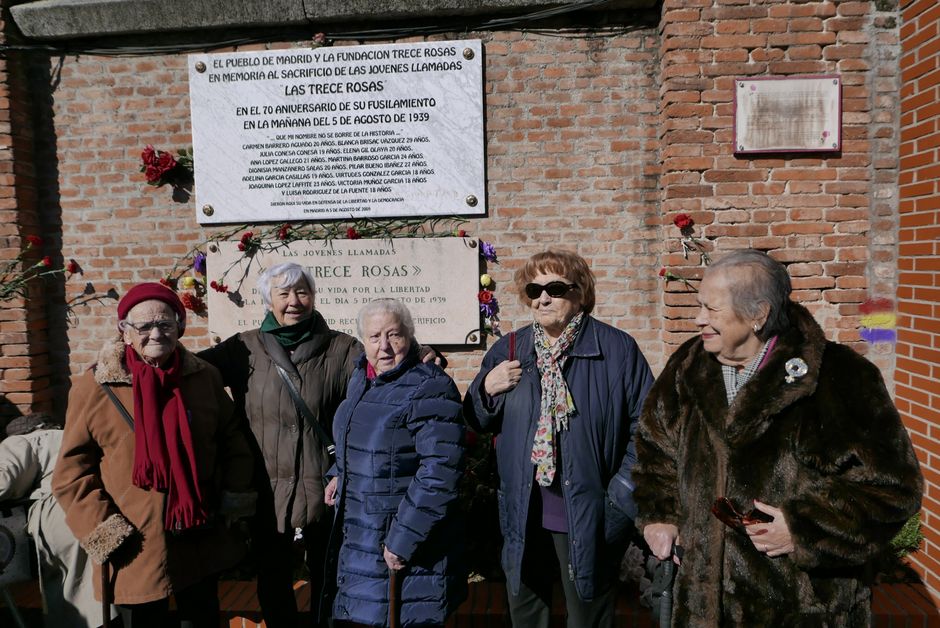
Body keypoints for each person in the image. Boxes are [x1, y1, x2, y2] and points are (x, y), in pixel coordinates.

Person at [634, 249, 924, 626]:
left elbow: (893, 489)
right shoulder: (687, 366)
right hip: (702, 607)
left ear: (759, 314)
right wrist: (660, 516)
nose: (698, 319)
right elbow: (655, 450)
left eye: (711, 309)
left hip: (803, 609)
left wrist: (804, 530)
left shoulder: (839, 377)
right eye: (699, 306)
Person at [200, 262, 443, 627]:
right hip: (267, 488)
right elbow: (193, 373)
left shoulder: (341, 348)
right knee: (272, 577)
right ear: (268, 300)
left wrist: (423, 355)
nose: (294, 301)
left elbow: (385, 366)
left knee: (328, 577)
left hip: (325, 485)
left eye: (302, 292)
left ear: (313, 296)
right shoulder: (242, 348)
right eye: (283, 293)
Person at [464, 249, 654, 628]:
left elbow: (648, 432)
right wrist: (485, 389)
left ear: (580, 293)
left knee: (586, 617)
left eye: (554, 288)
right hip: (523, 510)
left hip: (587, 511)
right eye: (534, 290)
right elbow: (474, 421)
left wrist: (618, 499)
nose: (543, 299)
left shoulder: (617, 350)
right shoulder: (510, 349)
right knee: (527, 615)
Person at [53, 282, 257, 628]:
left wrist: (233, 499)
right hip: (136, 545)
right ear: (125, 332)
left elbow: (233, 441)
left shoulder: (203, 377)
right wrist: (106, 530)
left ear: (179, 326)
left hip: (197, 536)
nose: (156, 333)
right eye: (144, 326)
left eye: (165, 323)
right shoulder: (95, 387)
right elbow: (71, 474)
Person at [324, 298, 465, 627]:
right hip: (362, 538)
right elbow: (362, 440)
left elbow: (441, 472)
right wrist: (340, 472)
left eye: (394, 335)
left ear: (410, 336)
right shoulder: (362, 378)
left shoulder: (429, 386)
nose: (384, 346)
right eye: (374, 337)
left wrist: (403, 540)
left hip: (403, 545)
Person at [0, 412, 115, 627]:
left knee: (67, 591)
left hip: (60, 515)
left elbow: (3, 482)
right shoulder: (71, 436)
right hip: (97, 508)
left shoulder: (20, 442)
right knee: (101, 585)